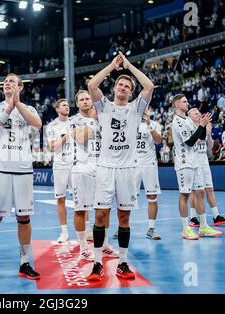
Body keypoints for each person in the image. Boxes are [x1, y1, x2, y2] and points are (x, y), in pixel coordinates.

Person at [87, 52, 154, 281]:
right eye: (120, 84)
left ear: (130, 92)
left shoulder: (136, 109)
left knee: (124, 218)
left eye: (127, 86)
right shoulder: (103, 106)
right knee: (100, 217)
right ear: (115, 87)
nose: (123, 88)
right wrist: (112, 66)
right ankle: (97, 263)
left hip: (127, 170)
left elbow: (149, 85)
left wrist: (128, 66)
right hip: (105, 168)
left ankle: (123, 263)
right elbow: (92, 84)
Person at [0, 73, 42, 280]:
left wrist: (18, 104)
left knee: (24, 217)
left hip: (23, 169)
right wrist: (9, 107)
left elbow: (37, 125)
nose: (7, 83)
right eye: (5, 81)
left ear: (20, 87)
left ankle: (24, 262)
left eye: (12, 81)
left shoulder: (30, 108)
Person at [70, 90, 118, 262]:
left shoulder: (102, 119)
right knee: (81, 210)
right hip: (81, 170)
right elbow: (81, 138)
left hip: (102, 169)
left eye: (87, 99)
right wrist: (92, 119)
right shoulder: (73, 120)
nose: (85, 101)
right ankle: (83, 247)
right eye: (81, 99)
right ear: (77, 104)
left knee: (105, 209)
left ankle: (104, 244)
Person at [171, 95, 222, 241]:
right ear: (176, 104)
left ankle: (204, 226)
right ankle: (185, 228)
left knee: (200, 192)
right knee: (185, 195)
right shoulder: (178, 122)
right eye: (184, 101)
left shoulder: (187, 120)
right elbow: (190, 142)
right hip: (184, 163)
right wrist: (201, 125)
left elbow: (199, 137)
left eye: (187, 101)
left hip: (195, 162)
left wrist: (204, 125)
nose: (187, 103)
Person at [186, 108, 225, 227]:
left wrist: (209, 134)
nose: (198, 115)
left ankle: (216, 216)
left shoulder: (204, 128)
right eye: (195, 113)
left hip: (204, 162)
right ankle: (193, 218)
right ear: (189, 116)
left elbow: (209, 147)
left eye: (199, 113)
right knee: (195, 191)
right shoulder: (188, 127)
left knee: (210, 188)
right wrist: (204, 130)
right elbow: (193, 142)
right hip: (193, 162)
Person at [46, 99, 74, 243]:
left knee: (81, 198)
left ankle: (86, 230)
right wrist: (64, 138)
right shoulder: (52, 126)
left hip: (75, 164)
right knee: (60, 198)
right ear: (57, 109)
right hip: (60, 165)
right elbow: (52, 147)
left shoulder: (75, 122)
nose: (67, 107)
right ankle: (64, 232)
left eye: (68, 105)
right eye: (64, 105)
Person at [135, 107, 163, 240]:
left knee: (152, 196)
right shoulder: (130, 123)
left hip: (149, 163)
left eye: (146, 109)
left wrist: (149, 125)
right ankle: (122, 227)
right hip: (132, 164)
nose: (143, 111)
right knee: (127, 197)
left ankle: (151, 229)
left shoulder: (155, 124)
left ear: (149, 110)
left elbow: (158, 141)